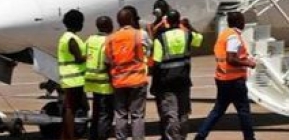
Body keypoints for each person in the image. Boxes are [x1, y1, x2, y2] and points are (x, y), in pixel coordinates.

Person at [194, 11, 256, 140]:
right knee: (243, 111)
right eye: (243, 20)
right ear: (239, 22)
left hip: (223, 78)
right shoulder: (233, 37)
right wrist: (248, 63)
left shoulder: (224, 34)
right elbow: (231, 59)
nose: (244, 23)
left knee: (218, 110)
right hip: (234, 81)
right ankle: (249, 138)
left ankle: (200, 135)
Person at [153, 10, 203, 140]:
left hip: (167, 81)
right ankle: (182, 136)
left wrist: (156, 84)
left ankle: (174, 137)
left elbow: (156, 63)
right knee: (183, 111)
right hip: (184, 79)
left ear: (167, 22)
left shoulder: (161, 38)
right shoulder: (187, 35)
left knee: (171, 112)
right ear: (179, 20)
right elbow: (199, 39)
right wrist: (188, 25)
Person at [105, 7, 149, 140]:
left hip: (119, 81)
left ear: (118, 22)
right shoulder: (140, 34)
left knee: (120, 115)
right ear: (131, 19)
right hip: (137, 80)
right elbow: (148, 51)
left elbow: (107, 60)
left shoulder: (110, 38)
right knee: (137, 115)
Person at [58, 9, 86, 140]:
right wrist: (91, 55)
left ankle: (66, 135)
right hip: (74, 78)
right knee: (71, 109)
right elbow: (79, 58)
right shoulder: (72, 39)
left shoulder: (66, 37)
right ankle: (70, 136)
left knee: (70, 108)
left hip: (70, 78)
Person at [85, 16, 115, 140]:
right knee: (105, 114)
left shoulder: (90, 39)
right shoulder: (109, 40)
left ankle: (93, 136)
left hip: (92, 80)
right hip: (105, 83)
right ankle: (102, 137)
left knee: (96, 113)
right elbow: (108, 62)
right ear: (109, 27)